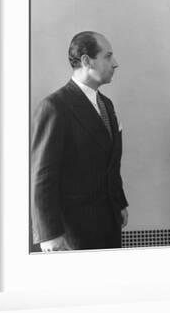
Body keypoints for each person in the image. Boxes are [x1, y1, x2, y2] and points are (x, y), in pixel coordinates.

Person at [31, 31, 128, 252]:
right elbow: (42, 176)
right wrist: (49, 234)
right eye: (108, 56)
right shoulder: (54, 106)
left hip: (109, 224)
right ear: (86, 61)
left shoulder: (107, 105)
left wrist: (119, 203)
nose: (115, 63)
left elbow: (110, 163)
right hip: (74, 232)